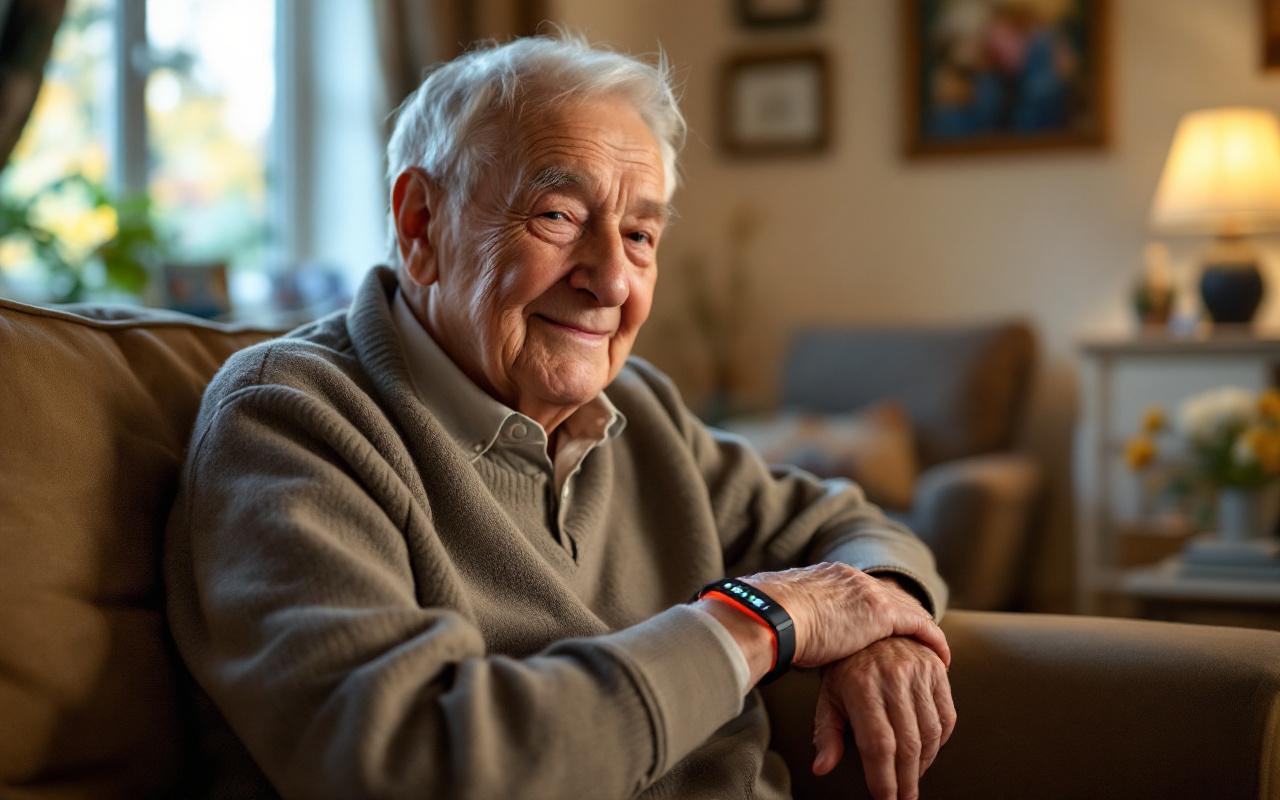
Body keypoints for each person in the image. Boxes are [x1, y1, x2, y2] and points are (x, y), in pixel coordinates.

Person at [164, 34, 955, 800]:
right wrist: (760, 622)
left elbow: (850, 526)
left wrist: (879, 619)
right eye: (557, 215)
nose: (612, 280)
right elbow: (407, 762)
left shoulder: (637, 410)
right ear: (420, 224)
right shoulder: (290, 419)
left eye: (640, 235)